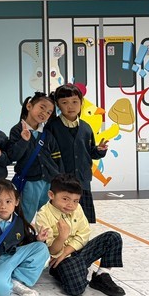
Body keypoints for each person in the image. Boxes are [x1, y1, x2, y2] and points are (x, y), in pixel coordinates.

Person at [35, 174, 125, 296]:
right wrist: (61, 237)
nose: (71, 205)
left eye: (76, 201)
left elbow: (84, 234)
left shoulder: (77, 209)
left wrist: (66, 251)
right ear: (51, 195)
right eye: (65, 199)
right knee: (76, 289)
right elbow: (51, 251)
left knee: (113, 237)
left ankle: (101, 275)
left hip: (74, 251)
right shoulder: (43, 215)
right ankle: (72, 270)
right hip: (59, 259)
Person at [0, 179, 50, 296]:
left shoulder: (18, 220)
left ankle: (17, 280)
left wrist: (38, 239)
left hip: (13, 257)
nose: (3, 206)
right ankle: (6, 280)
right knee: (1, 293)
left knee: (41, 248)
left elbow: (24, 241)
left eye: (8, 201)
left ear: (16, 202)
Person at [46, 84, 108, 223]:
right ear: (57, 105)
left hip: (82, 182)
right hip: (61, 182)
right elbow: (48, 155)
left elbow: (90, 152)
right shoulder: (52, 127)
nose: (70, 106)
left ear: (81, 103)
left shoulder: (86, 128)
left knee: (82, 221)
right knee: (61, 221)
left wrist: (99, 150)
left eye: (75, 102)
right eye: (64, 102)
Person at [8, 92, 63, 222]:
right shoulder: (17, 130)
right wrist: (24, 141)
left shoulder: (47, 134)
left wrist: (60, 179)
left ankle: (47, 235)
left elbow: (56, 158)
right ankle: (23, 234)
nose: (44, 113)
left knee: (48, 216)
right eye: (42, 107)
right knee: (26, 214)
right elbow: (13, 155)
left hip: (49, 181)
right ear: (29, 106)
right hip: (30, 181)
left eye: (49, 112)